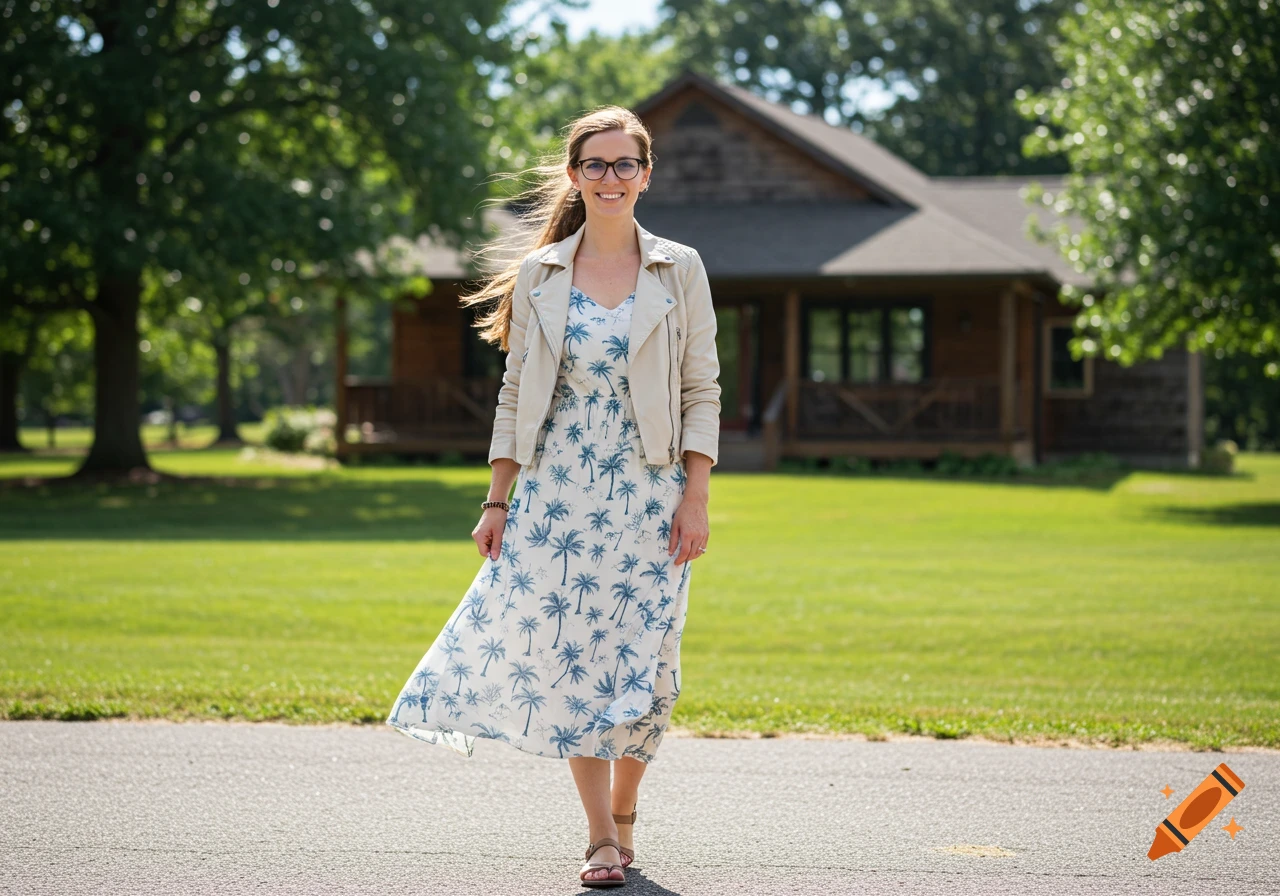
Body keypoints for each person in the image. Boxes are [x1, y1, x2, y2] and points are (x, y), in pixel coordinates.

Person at [385, 105, 721, 888]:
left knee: (649, 666)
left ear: (646, 172)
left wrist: (695, 496)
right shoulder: (542, 274)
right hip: (556, 497)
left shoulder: (681, 267)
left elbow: (702, 386)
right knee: (574, 662)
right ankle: (601, 835)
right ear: (575, 175)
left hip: (649, 495)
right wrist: (496, 499)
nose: (610, 178)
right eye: (595, 165)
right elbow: (514, 394)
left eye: (624, 164)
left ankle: (628, 811)